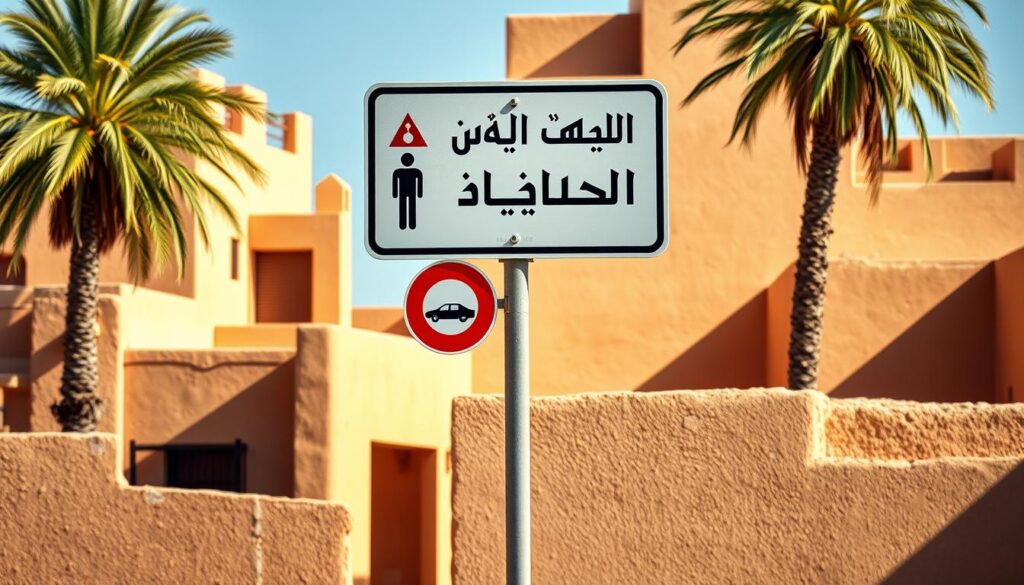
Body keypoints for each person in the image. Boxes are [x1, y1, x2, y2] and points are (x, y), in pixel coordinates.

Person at [392, 153, 423, 230]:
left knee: (410, 207)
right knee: (405, 207)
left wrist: (419, 193)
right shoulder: (398, 172)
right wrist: (395, 194)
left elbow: (420, 183)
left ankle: (410, 225)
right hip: (406, 192)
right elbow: (395, 183)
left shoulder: (415, 172)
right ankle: (404, 225)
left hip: (408, 192)